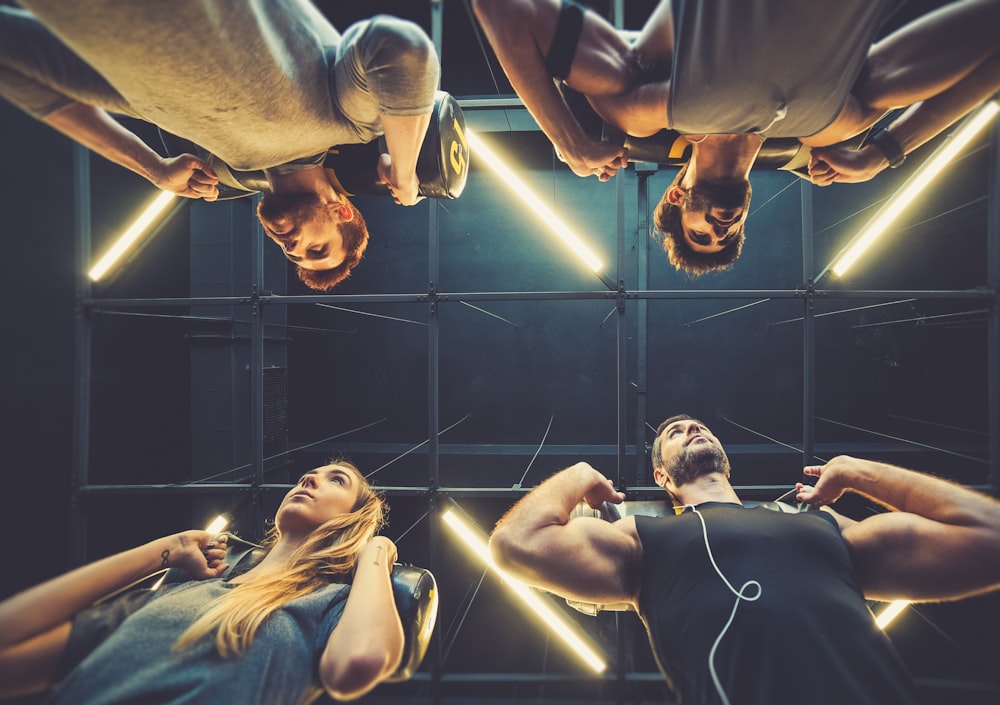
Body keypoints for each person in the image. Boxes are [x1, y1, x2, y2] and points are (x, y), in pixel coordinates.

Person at [490, 414, 1000, 705]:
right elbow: (516, 543)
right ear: (663, 478)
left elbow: (989, 536)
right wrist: (578, 474)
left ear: (724, 456)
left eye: (696, 425)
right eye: (674, 432)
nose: (691, 426)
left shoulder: (823, 524)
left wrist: (859, 471)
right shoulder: (645, 539)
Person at [472, 0, 1000, 274]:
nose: (722, 228)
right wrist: (883, 156)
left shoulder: (641, 101)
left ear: (676, 196)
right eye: (730, 236)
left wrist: (566, 139)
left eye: (703, 234)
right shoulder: (831, 122)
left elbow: (503, 10)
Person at [0, 1, 441, 290]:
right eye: (318, 249)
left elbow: (12, 62)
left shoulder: (204, 141)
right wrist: (404, 172)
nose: (293, 250)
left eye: (296, 257)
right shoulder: (346, 123)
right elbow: (399, 46)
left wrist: (153, 167)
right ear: (341, 210)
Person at [0, 462, 406, 704]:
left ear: (354, 518)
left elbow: (357, 663)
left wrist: (374, 551)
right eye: (309, 474)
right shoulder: (181, 590)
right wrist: (166, 547)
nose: (308, 478)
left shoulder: (328, 604)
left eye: (337, 480)